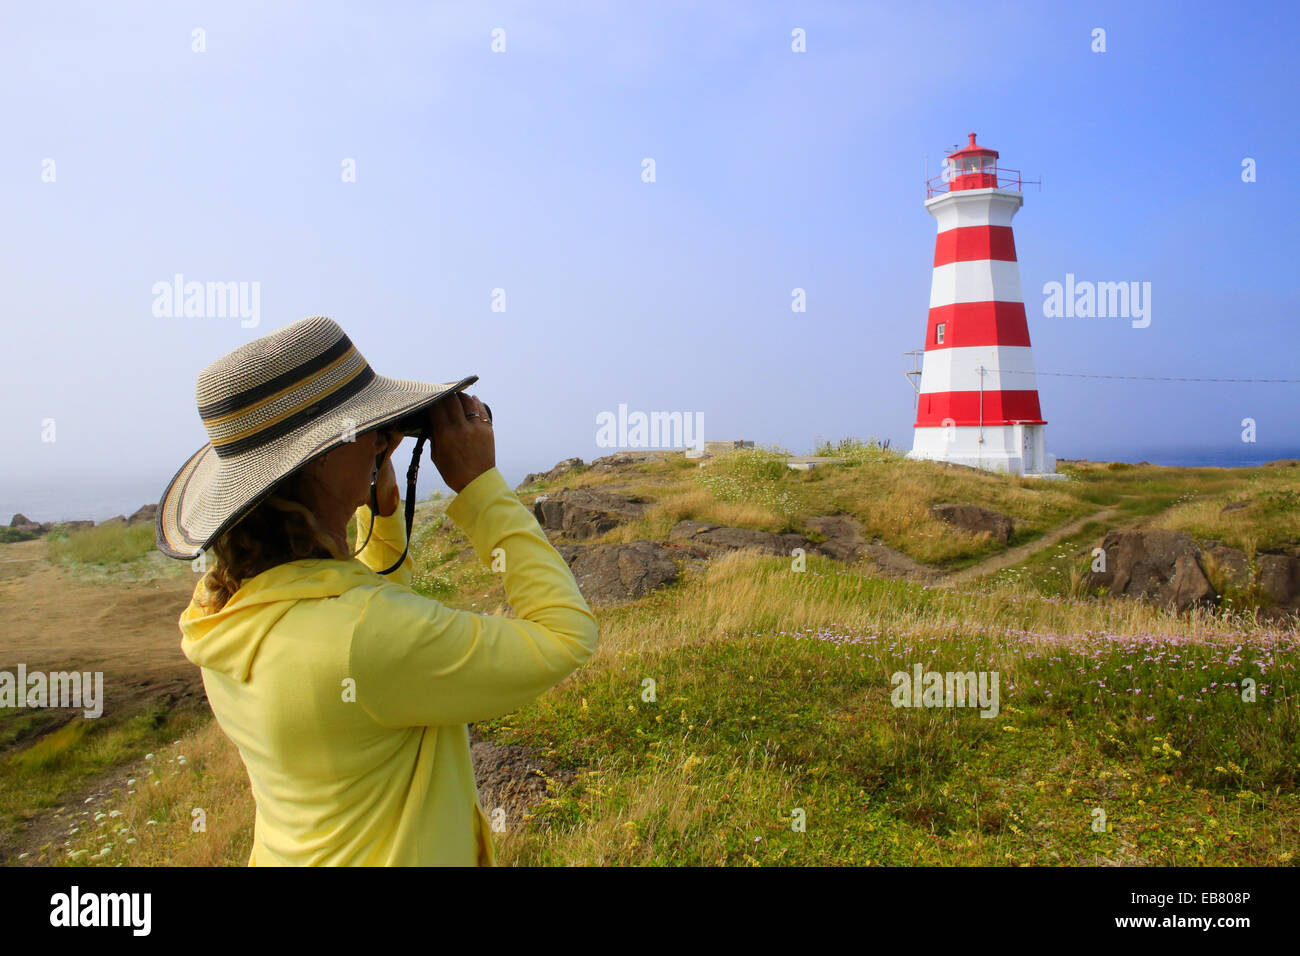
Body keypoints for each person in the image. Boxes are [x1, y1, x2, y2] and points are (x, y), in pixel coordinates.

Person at [155, 315, 599, 865]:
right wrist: (482, 489)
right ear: (314, 460)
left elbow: (362, 616)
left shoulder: (224, 606)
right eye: (368, 429)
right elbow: (564, 635)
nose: (387, 438)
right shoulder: (362, 635)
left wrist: (381, 512)